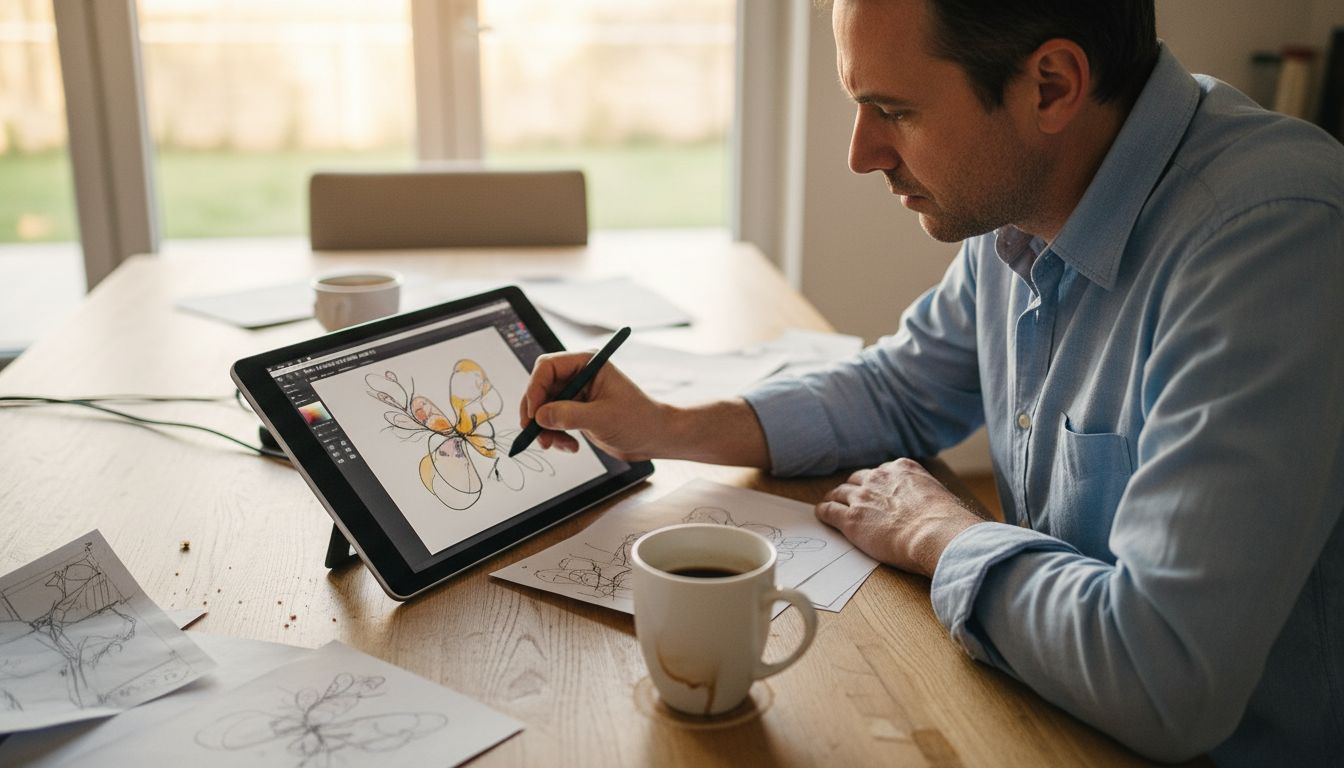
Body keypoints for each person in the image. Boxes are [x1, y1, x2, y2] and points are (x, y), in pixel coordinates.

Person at [519, 0, 1344, 763]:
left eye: (897, 111)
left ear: (1050, 86)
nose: (859, 154)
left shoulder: (1270, 243)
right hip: (1047, 709)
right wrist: (667, 425)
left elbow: (1166, 677)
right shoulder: (1034, 187)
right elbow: (902, 390)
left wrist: (939, 534)